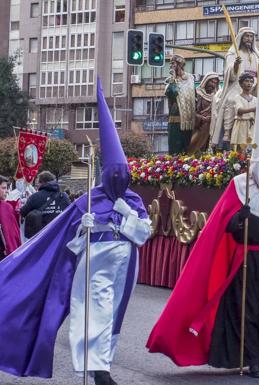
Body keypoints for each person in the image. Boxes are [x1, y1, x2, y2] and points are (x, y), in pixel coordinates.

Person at [147, 70, 259, 379]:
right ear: (254, 163)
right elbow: (223, 227)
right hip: (248, 260)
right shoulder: (239, 186)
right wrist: (237, 218)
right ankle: (253, 361)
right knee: (251, 313)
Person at [0, 79, 152, 384]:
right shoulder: (88, 200)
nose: (120, 178)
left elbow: (143, 234)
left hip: (123, 269)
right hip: (93, 268)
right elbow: (64, 241)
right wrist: (83, 231)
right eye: (115, 173)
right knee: (91, 314)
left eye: (124, 173)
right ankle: (94, 369)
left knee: (111, 317)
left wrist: (125, 216)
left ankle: (102, 365)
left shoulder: (133, 200)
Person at [211, 27, 259, 150]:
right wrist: (235, 65)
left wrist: (258, 82)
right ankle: (227, 132)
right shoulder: (233, 53)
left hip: (253, 85)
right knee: (230, 100)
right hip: (237, 84)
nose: (249, 39)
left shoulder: (257, 56)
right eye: (246, 36)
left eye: (251, 36)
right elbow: (230, 74)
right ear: (241, 37)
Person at [20, 170, 71, 239]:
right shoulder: (64, 197)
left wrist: (28, 202)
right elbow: (70, 214)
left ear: (42, 183)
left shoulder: (35, 197)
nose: (37, 185)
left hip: (40, 238)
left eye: (38, 183)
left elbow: (23, 212)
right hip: (59, 237)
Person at [165, 54, 196, 155]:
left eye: (173, 63)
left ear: (180, 64)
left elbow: (194, 95)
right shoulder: (170, 80)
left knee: (188, 148)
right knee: (175, 147)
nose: (171, 66)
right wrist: (173, 79)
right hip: (176, 117)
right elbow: (171, 93)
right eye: (171, 64)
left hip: (190, 118)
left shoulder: (191, 78)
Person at [188, 72, 220, 154]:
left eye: (215, 83)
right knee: (194, 148)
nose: (213, 85)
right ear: (206, 81)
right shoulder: (197, 93)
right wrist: (202, 118)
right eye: (211, 82)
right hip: (198, 127)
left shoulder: (216, 96)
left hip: (211, 128)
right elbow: (191, 111)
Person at [229, 73, 257, 152]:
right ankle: (240, 163)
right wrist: (254, 109)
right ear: (241, 83)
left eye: (251, 82)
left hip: (252, 126)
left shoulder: (255, 99)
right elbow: (239, 110)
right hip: (241, 125)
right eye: (247, 81)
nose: (249, 83)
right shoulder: (237, 97)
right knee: (241, 149)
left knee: (253, 148)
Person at [0, 175, 21, 259]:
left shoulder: (7, 207)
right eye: (3, 188)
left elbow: (14, 234)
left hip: (4, 254)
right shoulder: (6, 207)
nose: (7, 191)